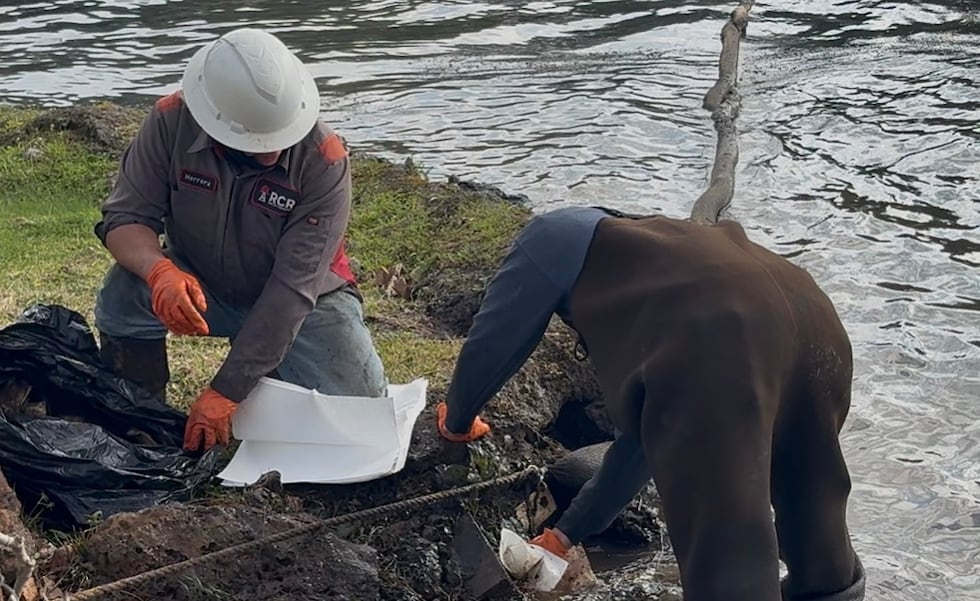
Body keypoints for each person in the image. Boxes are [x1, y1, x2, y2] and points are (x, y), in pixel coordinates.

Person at [435, 206, 867, 601]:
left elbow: (494, 341)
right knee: (813, 502)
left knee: (729, 541)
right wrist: (564, 536)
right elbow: (641, 446)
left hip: (721, 337)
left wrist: (457, 419)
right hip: (813, 317)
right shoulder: (664, 255)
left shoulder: (546, 237)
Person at [92, 28, 387, 454]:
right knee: (125, 291)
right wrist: (159, 271)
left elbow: (292, 288)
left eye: (278, 139)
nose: (270, 152)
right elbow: (125, 217)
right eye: (253, 142)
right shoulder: (170, 120)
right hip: (204, 285)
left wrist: (226, 390)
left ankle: (265, 373)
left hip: (305, 302)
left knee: (362, 407)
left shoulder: (325, 161)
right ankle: (139, 413)